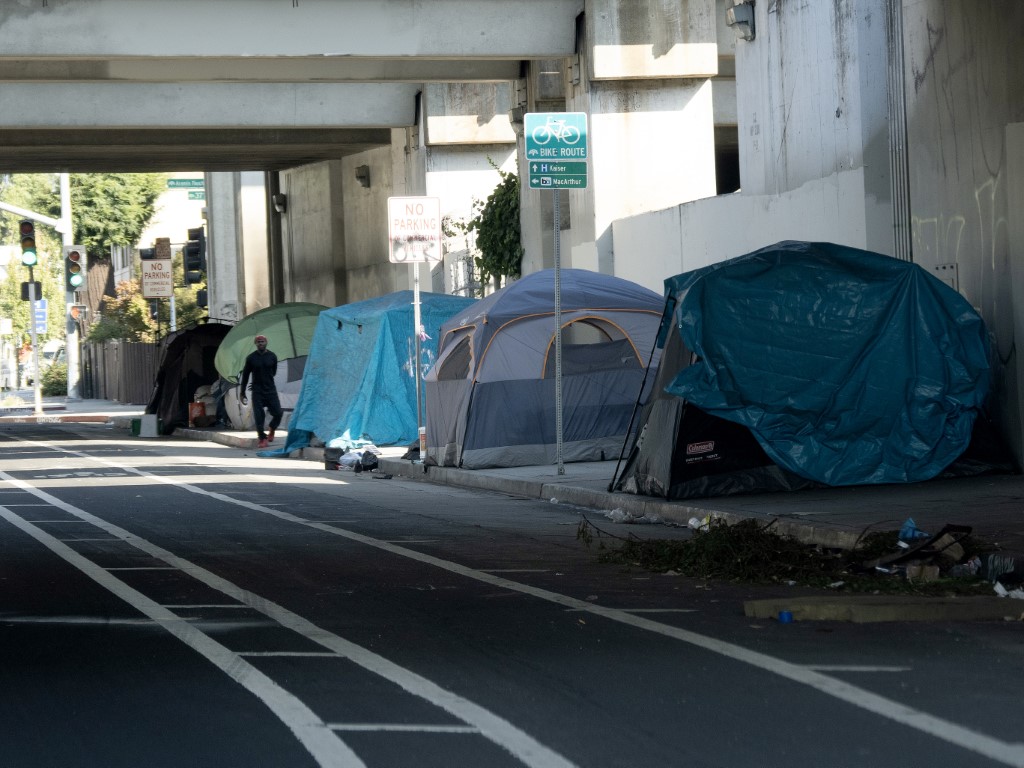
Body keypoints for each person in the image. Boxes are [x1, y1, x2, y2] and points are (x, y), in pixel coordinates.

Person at [239, 334, 283, 449]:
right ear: (255, 344)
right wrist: (242, 391)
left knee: (278, 413)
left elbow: (273, 372)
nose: (260, 343)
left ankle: (272, 428)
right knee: (259, 416)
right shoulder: (251, 358)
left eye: (262, 341)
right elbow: (245, 375)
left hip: (270, 390)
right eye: (258, 342)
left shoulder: (272, 356)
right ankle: (262, 438)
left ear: (266, 342)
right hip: (257, 391)